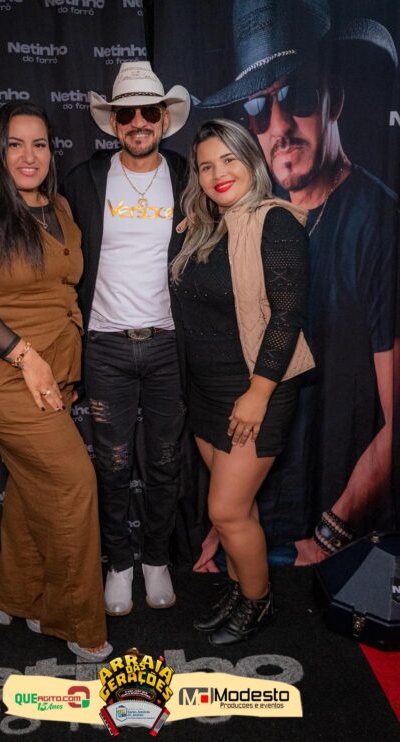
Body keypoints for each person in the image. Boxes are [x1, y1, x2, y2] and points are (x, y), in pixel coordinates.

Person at [196, 0, 398, 567]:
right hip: (266, 515)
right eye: (259, 108)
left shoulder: (379, 226)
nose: (280, 126)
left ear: (334, 96)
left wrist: (332, 531)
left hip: (338, 535)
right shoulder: (260, 220)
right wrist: (228, 514)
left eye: (299, 96)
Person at [0, 101, 112, 662]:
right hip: (2, 371)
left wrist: (60, 362)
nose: (29, 155)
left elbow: (61, 290)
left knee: (30, 485)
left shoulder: (58, 206)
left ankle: (18, 597)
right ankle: (76, 622)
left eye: (39, 144)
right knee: (72, 481)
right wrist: (25, 356)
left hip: (54, 368)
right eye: (15, 144)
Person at [170, 118, 313, 644]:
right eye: (206, 166)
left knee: (226, 510)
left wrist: (258, 393)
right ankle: (239, 587)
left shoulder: (276, 223)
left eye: (228, 160)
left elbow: (287, 317)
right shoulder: (202, 229)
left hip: (257, 387)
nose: (218, 173)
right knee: (242, 507)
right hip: (206, 390)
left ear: (251, 161)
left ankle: (258, 602)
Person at [64, 61, 189, 616]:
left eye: (149, 112)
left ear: (164, 118)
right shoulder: (85, 178)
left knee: (164, 460)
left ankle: (156, 559)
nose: (139, 122)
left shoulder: (187, 175)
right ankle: (118, 563)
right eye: (127, 113)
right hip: (106, 347)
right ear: (113, 122)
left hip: (168, 346)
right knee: (113, 465)